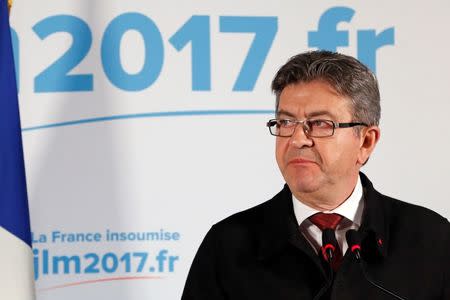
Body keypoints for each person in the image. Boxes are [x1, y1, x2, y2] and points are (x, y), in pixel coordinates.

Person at [181, 51, 450, 299]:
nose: (298, 139)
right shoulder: (227, 246)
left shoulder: (432, 239)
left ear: (366, 141)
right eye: (285, 122)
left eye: (320, 123)